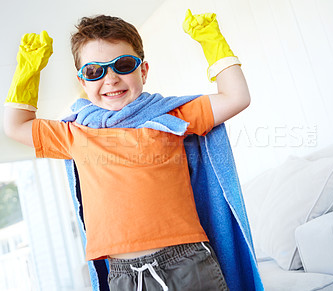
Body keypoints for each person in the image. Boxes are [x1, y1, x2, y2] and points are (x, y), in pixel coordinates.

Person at [4, 10, 251, 291]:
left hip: (187, 263)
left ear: (143, 70)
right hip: (124, 275)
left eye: (122, 64)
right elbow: (15, 127)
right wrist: (27, 72)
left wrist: (212, 41)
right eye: (94, 71)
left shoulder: (170, 118)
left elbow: (236, 97)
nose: (110, 79)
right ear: (82, 82)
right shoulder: (74, 133)